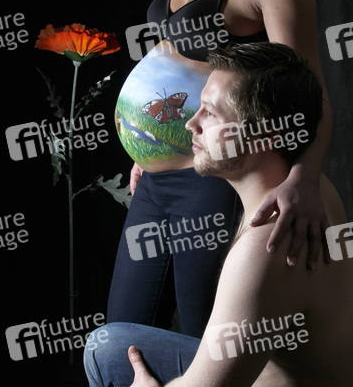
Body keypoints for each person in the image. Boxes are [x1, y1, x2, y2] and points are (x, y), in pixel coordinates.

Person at [109, 0, 332, 338]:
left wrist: (303, 179)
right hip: (155, 180)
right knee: (120, 336)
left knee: (204, 339)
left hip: (212, 183)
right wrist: (149, 148)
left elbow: (311, 92)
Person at [85, 43, 352, 387]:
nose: (190, 124)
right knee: (113, 345)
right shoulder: (311, 191)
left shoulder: (263, 246)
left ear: (264, 135)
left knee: (103, 350)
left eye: (209, 113)